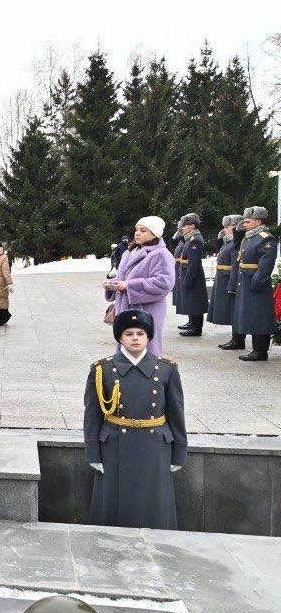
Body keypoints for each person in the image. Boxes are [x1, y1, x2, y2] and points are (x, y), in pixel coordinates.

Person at [84, 308, 185, 530]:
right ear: (120, 338)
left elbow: (176, 415)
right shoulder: (103, 369)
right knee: (113, 510)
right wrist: (93, 451)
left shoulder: (166, 369)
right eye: (129, 334)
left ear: (149, 337)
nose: (135, 338)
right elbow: (92, 416)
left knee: (154, 506)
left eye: (140, 333)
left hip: (155, 447)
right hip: (115, 447)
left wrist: (179, 453)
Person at [105, 216, 176, 357]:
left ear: (155, 234)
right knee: (126, 350)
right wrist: (112, 285)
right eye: (136, 230)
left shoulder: (161, 254)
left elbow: (164, 283)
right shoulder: (128, 252)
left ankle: (151, 378)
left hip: (147, 311)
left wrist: (129, 286)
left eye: (143, 230)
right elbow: (124, 278)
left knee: (147, 350)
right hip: (125, 310)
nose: (137, 233)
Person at [231, 206, 277, 362]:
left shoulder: (266, 238)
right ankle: (257, 349)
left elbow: (266, 264)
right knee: (251, 315)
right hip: (245, 280)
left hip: (257, 281)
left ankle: (260, 351)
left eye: (247, 221)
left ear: (258, 221)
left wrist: (257, 282)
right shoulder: (249, 237)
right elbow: (237, 250)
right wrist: (238, 230)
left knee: (260, 316)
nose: (244, 224)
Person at [208, 215, 242, 342]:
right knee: (229, 310)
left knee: (233, 311)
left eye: (228, 227)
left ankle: (237, 339)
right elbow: (221, 253)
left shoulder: (236, 244)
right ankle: (235, 339)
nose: (226, 229)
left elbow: (235, 265)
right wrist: (220, 239)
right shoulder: (229, 242)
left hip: (229, 279)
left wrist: (232, 284)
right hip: (223, 278)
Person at [174, 214, 209, 337]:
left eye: (185, 225)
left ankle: (196, 328)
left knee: (195, 301)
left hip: (193, 274)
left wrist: (188, 279)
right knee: (190, 300)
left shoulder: (195, 240)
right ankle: (191, 323)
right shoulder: (189, 238)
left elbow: (193, 263)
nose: (182, 228)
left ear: (192, 226)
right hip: (186, 271)